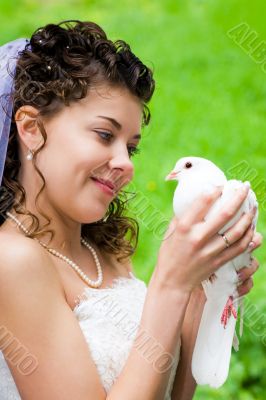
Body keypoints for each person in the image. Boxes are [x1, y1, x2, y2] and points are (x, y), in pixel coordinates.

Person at [0, 20, 262, 400]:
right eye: (106, 135)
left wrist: (202, 287)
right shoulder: (12, 260)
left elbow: (172, 394)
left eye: (131, 147)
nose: (126, 163)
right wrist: (169, 284)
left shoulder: (105, 249)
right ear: (31, 127)